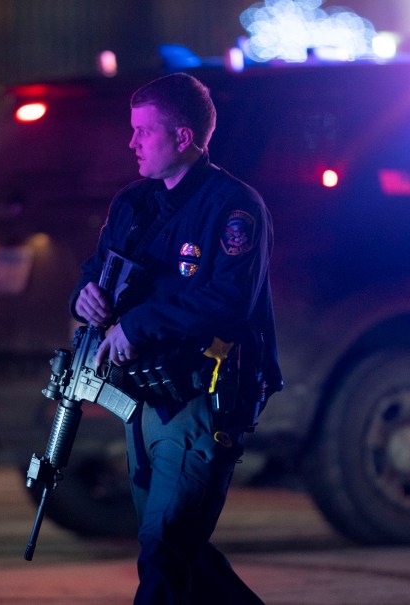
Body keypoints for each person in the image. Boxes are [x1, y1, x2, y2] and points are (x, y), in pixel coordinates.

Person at [72, 72, 282, 605]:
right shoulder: (134, 204)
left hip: (200, 399)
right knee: (175, 547)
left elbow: (228, 302)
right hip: (141, 398)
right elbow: (97, 270)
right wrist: (85, 296)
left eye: (145, 131)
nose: (132, 142)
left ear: (183, 138)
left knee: (164, 547)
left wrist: (136, 326)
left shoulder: (234, 208)